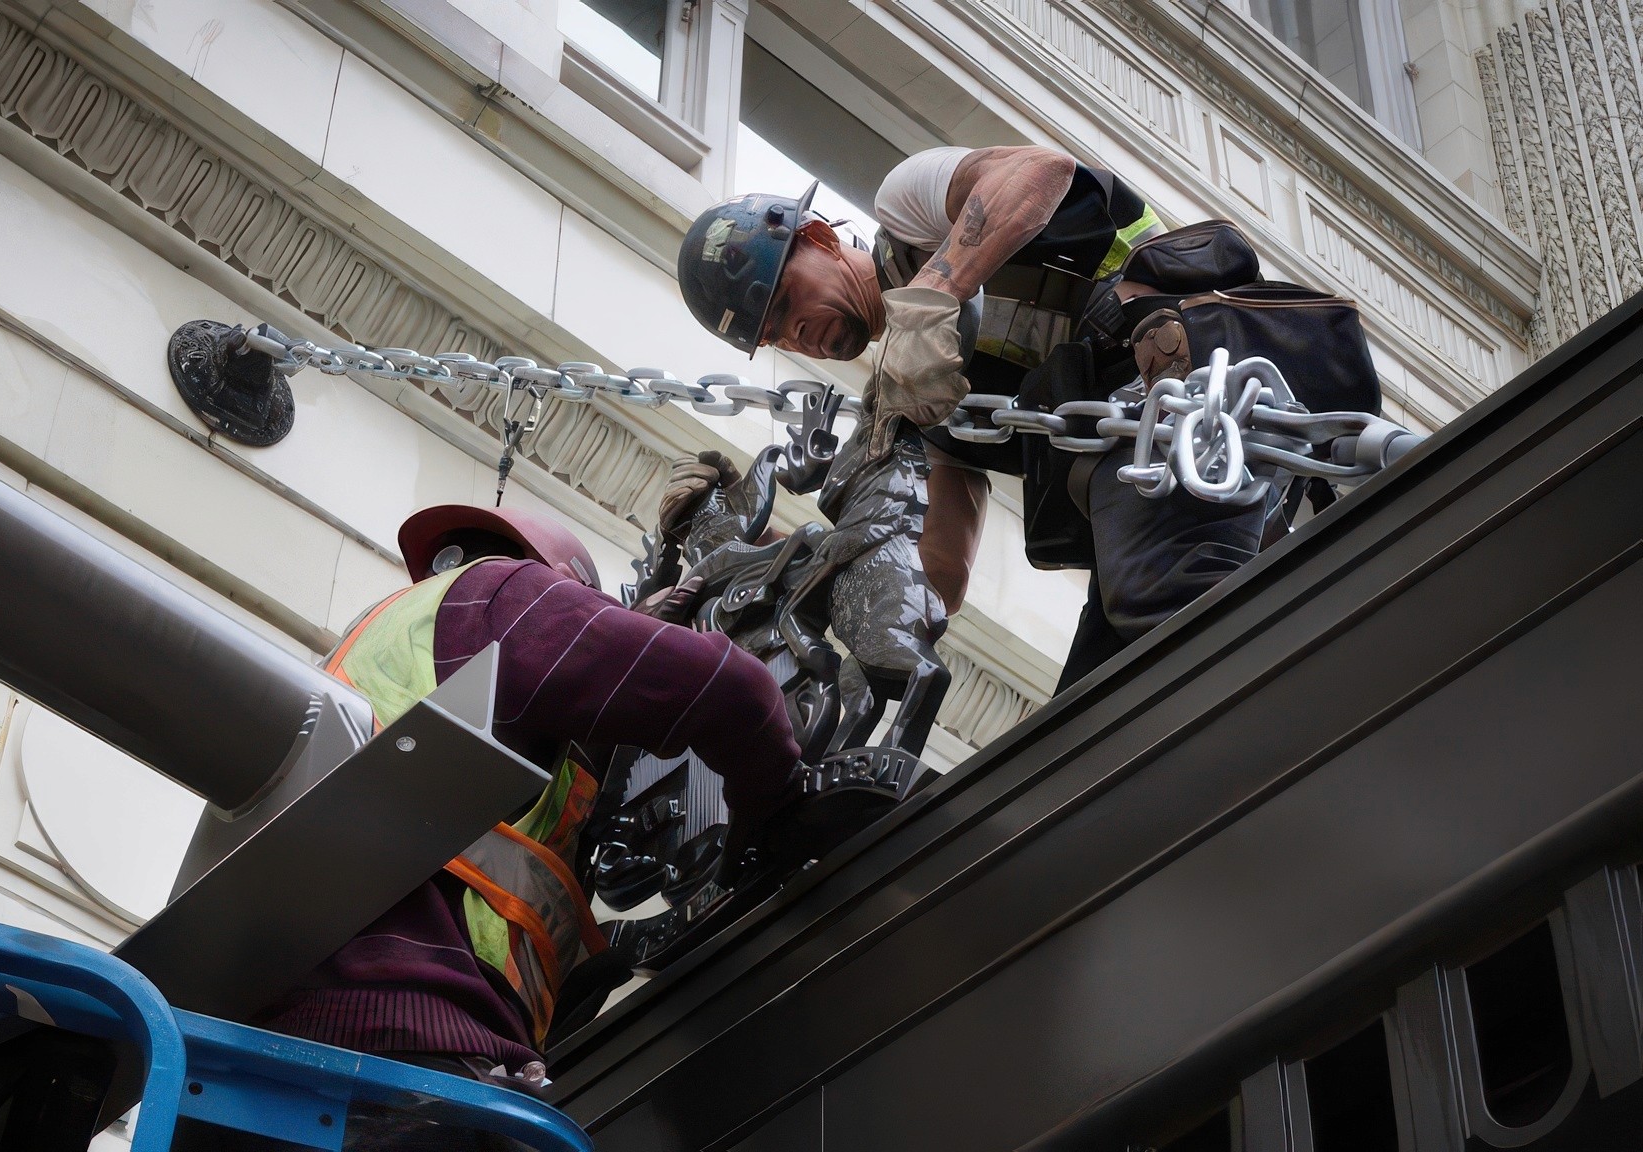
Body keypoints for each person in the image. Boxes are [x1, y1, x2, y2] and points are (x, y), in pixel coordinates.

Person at [259, 504, 805, 1147]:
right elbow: (723, 689)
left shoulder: (378, 657)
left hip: (257, 1061)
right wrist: (773, 804)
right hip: (402, 1052)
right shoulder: (501, 594)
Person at [675, 146, 1276, 691]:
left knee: (1160, 624)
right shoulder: (920, 402)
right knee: (1092, 708)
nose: (795, 333)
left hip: (1212, 377)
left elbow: (1042, 172)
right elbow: (937, 578)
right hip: (1147, 485)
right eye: (774, 334)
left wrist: (934, 292)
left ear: (820, 239)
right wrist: (762, 549)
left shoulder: (910, 208)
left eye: (783, 302)